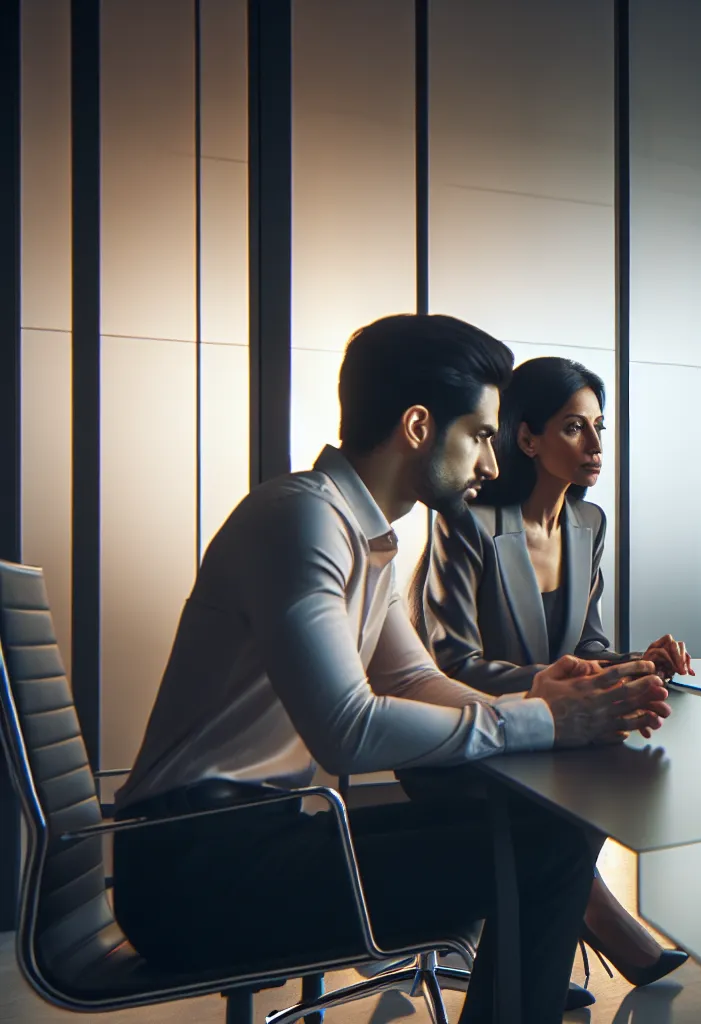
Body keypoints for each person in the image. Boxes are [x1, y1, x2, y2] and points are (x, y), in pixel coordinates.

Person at [111, 315, 672, 1024]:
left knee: (548, 833)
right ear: (417, 427)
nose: (492, 466)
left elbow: (410, 680)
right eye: (480, 436)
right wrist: (544, 720)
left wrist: (542, 697)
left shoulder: (358, 529)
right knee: (544, 849)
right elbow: (346, 731)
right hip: (193, 870)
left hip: (256, 838)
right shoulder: (303, 519)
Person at [413, 355, 689, 988]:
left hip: (550, 732)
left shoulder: (587, 523)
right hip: (468, 732)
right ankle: (576, 924)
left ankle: (549, 942)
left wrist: (638, 660)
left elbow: (586, 642)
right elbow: (453, 662)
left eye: (599, 426)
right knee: (569, 800)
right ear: (527, 438)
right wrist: (554, 691)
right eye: (574, 428)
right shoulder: (467, 522)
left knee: (612, 767)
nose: (596, 445)